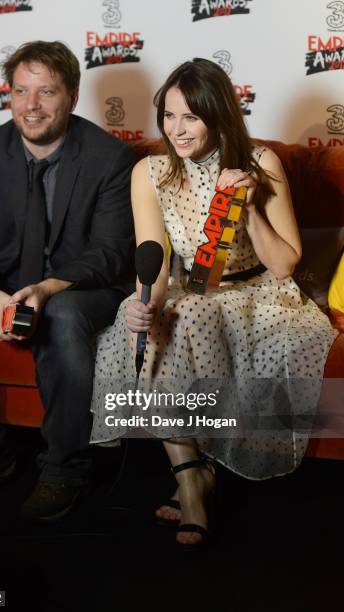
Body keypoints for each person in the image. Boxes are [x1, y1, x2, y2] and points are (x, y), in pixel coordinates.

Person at [90, 58, 337, 549]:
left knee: (193, 312)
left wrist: (247, 216)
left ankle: (200, 477)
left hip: (259, 293)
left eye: (190, 118)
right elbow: (156, 262)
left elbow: (285, 264)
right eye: (168, 116)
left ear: (217, 115)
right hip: (193, 290)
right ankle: (189, 476)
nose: (176, 131)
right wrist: (146, 303)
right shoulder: (151, 171)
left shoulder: (259, 163)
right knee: (145, 317)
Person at [0, 41, 135, 521]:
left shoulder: (111, 158)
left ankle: (64, 469)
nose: (31, 106)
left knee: (63, 317)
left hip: (81, 288)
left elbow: (109, 254)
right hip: (5, 280)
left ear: (72, 95)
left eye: (46, 92)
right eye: (21, 91)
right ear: (8, 95)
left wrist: (46, 290)